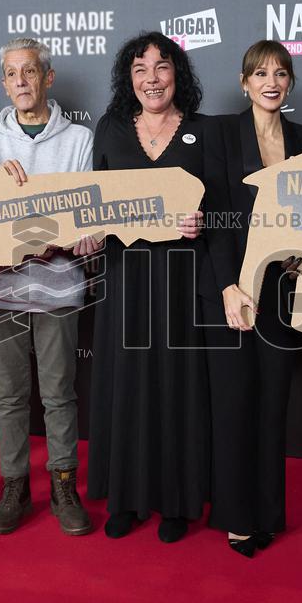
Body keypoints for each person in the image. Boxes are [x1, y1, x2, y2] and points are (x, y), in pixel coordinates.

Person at [0, 38, 97, 536]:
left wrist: (82, 236)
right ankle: (15, 487)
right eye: (11, 74)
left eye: (30, 71)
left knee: (59, 393)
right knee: (9, 394)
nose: (21, 81)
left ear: (48, 76)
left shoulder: (79, 140)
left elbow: (86, 210)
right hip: (2, 286)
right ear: (3, 84)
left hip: (59, 283)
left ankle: (64, 483)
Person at [86, 32, 205, 543]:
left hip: (182, 279)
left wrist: (204, 223)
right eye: (140, 68)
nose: (151, 78)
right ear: (127, 78)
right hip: (126, 276)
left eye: (161, 67)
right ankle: (126, 498)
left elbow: (220, 209)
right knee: (128, 383)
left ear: (178, 74)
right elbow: (94, 202)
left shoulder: (204, 131)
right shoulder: (110, 129)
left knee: (176, 387)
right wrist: (89, 226)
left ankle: (175, 500)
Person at [201, 41, 302, 557]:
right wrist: (228, 285)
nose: (272, 81)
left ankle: (268, 511)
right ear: (244, 81)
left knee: (273, 405)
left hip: (285, 294)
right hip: (234, 290)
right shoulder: (220, 133)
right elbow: (217, 217)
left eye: (281, 73)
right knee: (233, 404)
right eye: (261, 73)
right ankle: (237, 514)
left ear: (290, 82)